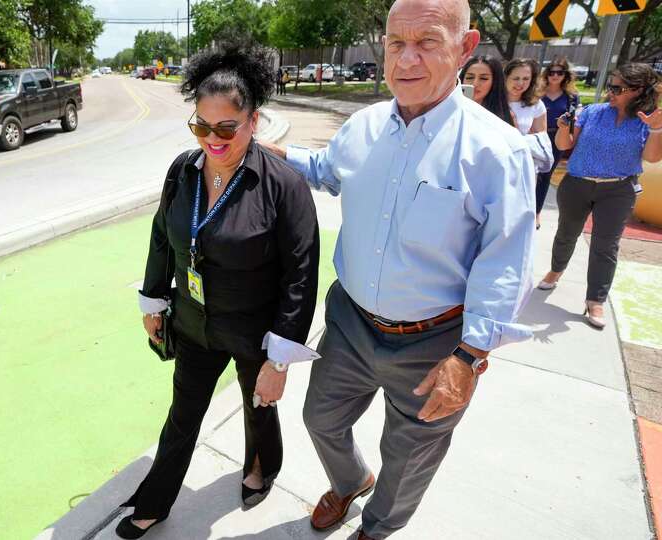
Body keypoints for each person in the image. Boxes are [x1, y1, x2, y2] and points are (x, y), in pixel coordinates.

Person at [261, 0, 536, 537]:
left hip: (435, 341)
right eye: (394, 43)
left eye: (427, 42)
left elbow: (506, 260)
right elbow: (328, 171)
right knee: (321, 419)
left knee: (410, 452)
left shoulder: (496, 150)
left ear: (466, 46)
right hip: (350, 324)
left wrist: (470, 356)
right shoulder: (362, 127)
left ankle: (380, 525)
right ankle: (350, 482)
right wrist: (271, 151)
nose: (405, 59)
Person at [120, 42, 320, 539]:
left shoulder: (283, 185)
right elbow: (161, 237)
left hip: (254, 331)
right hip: (192, 325)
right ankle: (155, 501)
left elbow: (301, 275)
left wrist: (278, 362)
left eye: (225, 127)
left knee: (260, 410)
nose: (212, 139)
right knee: (181, 417)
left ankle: (262, 466)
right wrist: (153, 301)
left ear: (253, 121)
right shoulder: (182, 170)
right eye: (201, 126)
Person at [538, 63, 662, 329]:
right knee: (566, 233)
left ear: (638, 91)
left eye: (618, 88)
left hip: (618, 190)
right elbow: (564, 145)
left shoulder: (646, 120)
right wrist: (563, 127)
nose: (611, 91)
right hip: (577, 184)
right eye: (610, 85)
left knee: (606, 246)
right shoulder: (593, 112)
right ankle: (556, 270)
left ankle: (595, 299)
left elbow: (652, 157)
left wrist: (655, 129)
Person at [537, 57, 580, 229]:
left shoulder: (571, 97)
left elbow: (573, 119)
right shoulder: (537, 92)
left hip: (556, 139)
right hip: (538, 135)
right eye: (552, 72)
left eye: (559, 72)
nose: (555, 76)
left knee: (546, 175)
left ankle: (537, 212)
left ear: (565, 75)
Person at [460, 54, 513, 125]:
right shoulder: (450, 110)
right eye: (470, 77)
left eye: (483, 78)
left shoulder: (503, 117)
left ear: (495, 82)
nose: (475, 83)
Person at [505, 58, 546, 135]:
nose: (520, 83)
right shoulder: (492, 99)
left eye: (526, 79)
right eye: (516, 78)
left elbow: (541, 139)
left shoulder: (536, 104)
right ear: (505, 78)